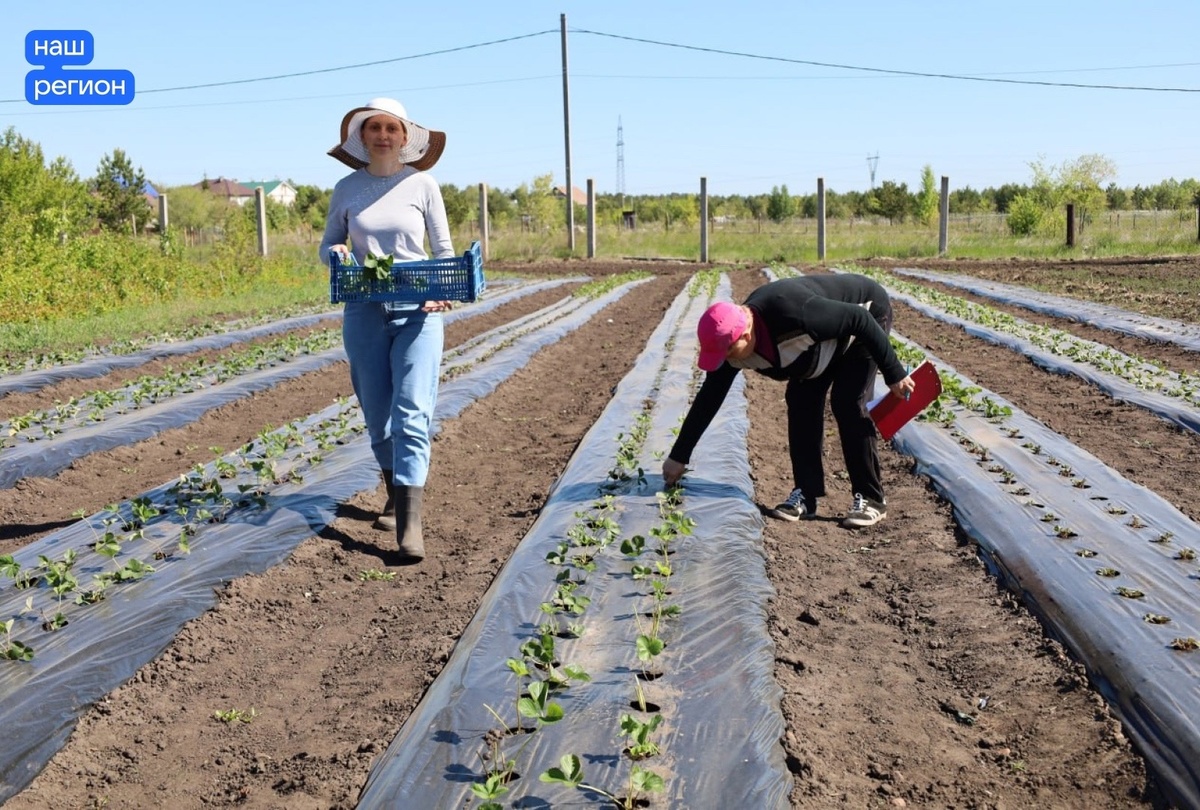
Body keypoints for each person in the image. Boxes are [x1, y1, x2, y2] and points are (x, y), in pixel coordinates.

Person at [661, 273, 916, 528]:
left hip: (865, 318)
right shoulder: (729, 348)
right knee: (801, 399)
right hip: (821, 343)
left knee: (848, 402)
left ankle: (872, 498)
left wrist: (894, 373)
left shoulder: (794, 314)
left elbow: (859, 318)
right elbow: (709, 397)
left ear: (746, 335)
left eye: (727, 351)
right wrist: (679, 456)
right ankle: (806, 495)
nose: (723, 359)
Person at [319, 97, 454, 562]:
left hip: (417, 310)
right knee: (379, 417)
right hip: (363, 310)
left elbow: (443, 249)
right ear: (363, 136)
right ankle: (395, 493)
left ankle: (410, 526)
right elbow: (329, 246)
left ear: (404, 137)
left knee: (413, 411)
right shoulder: (346, 188)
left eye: (391, 128)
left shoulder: (422, 184)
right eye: (374, 128)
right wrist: (336, 254)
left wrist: (442, 288)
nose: (382, 135)